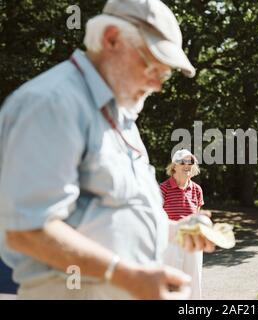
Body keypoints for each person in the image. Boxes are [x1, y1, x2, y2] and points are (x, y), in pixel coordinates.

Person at [0, 0, 215, 299]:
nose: (157, 84)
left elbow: (121, 215)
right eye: (152, 64)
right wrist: (127, 275)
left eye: (164, 74)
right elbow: (28, 230)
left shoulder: (122, 119)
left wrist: (180, 230)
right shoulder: (52, 103)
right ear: (111, 39)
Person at [160, 149, 211, 300]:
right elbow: (158, 218)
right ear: (174, 166)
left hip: (193, 241)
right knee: (171, 283)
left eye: (190, 162)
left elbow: (196, 215)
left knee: (194, 280)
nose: (187, 165)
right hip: (171, 241)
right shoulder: (163, 189)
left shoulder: (196, 190)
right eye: (183, 162)